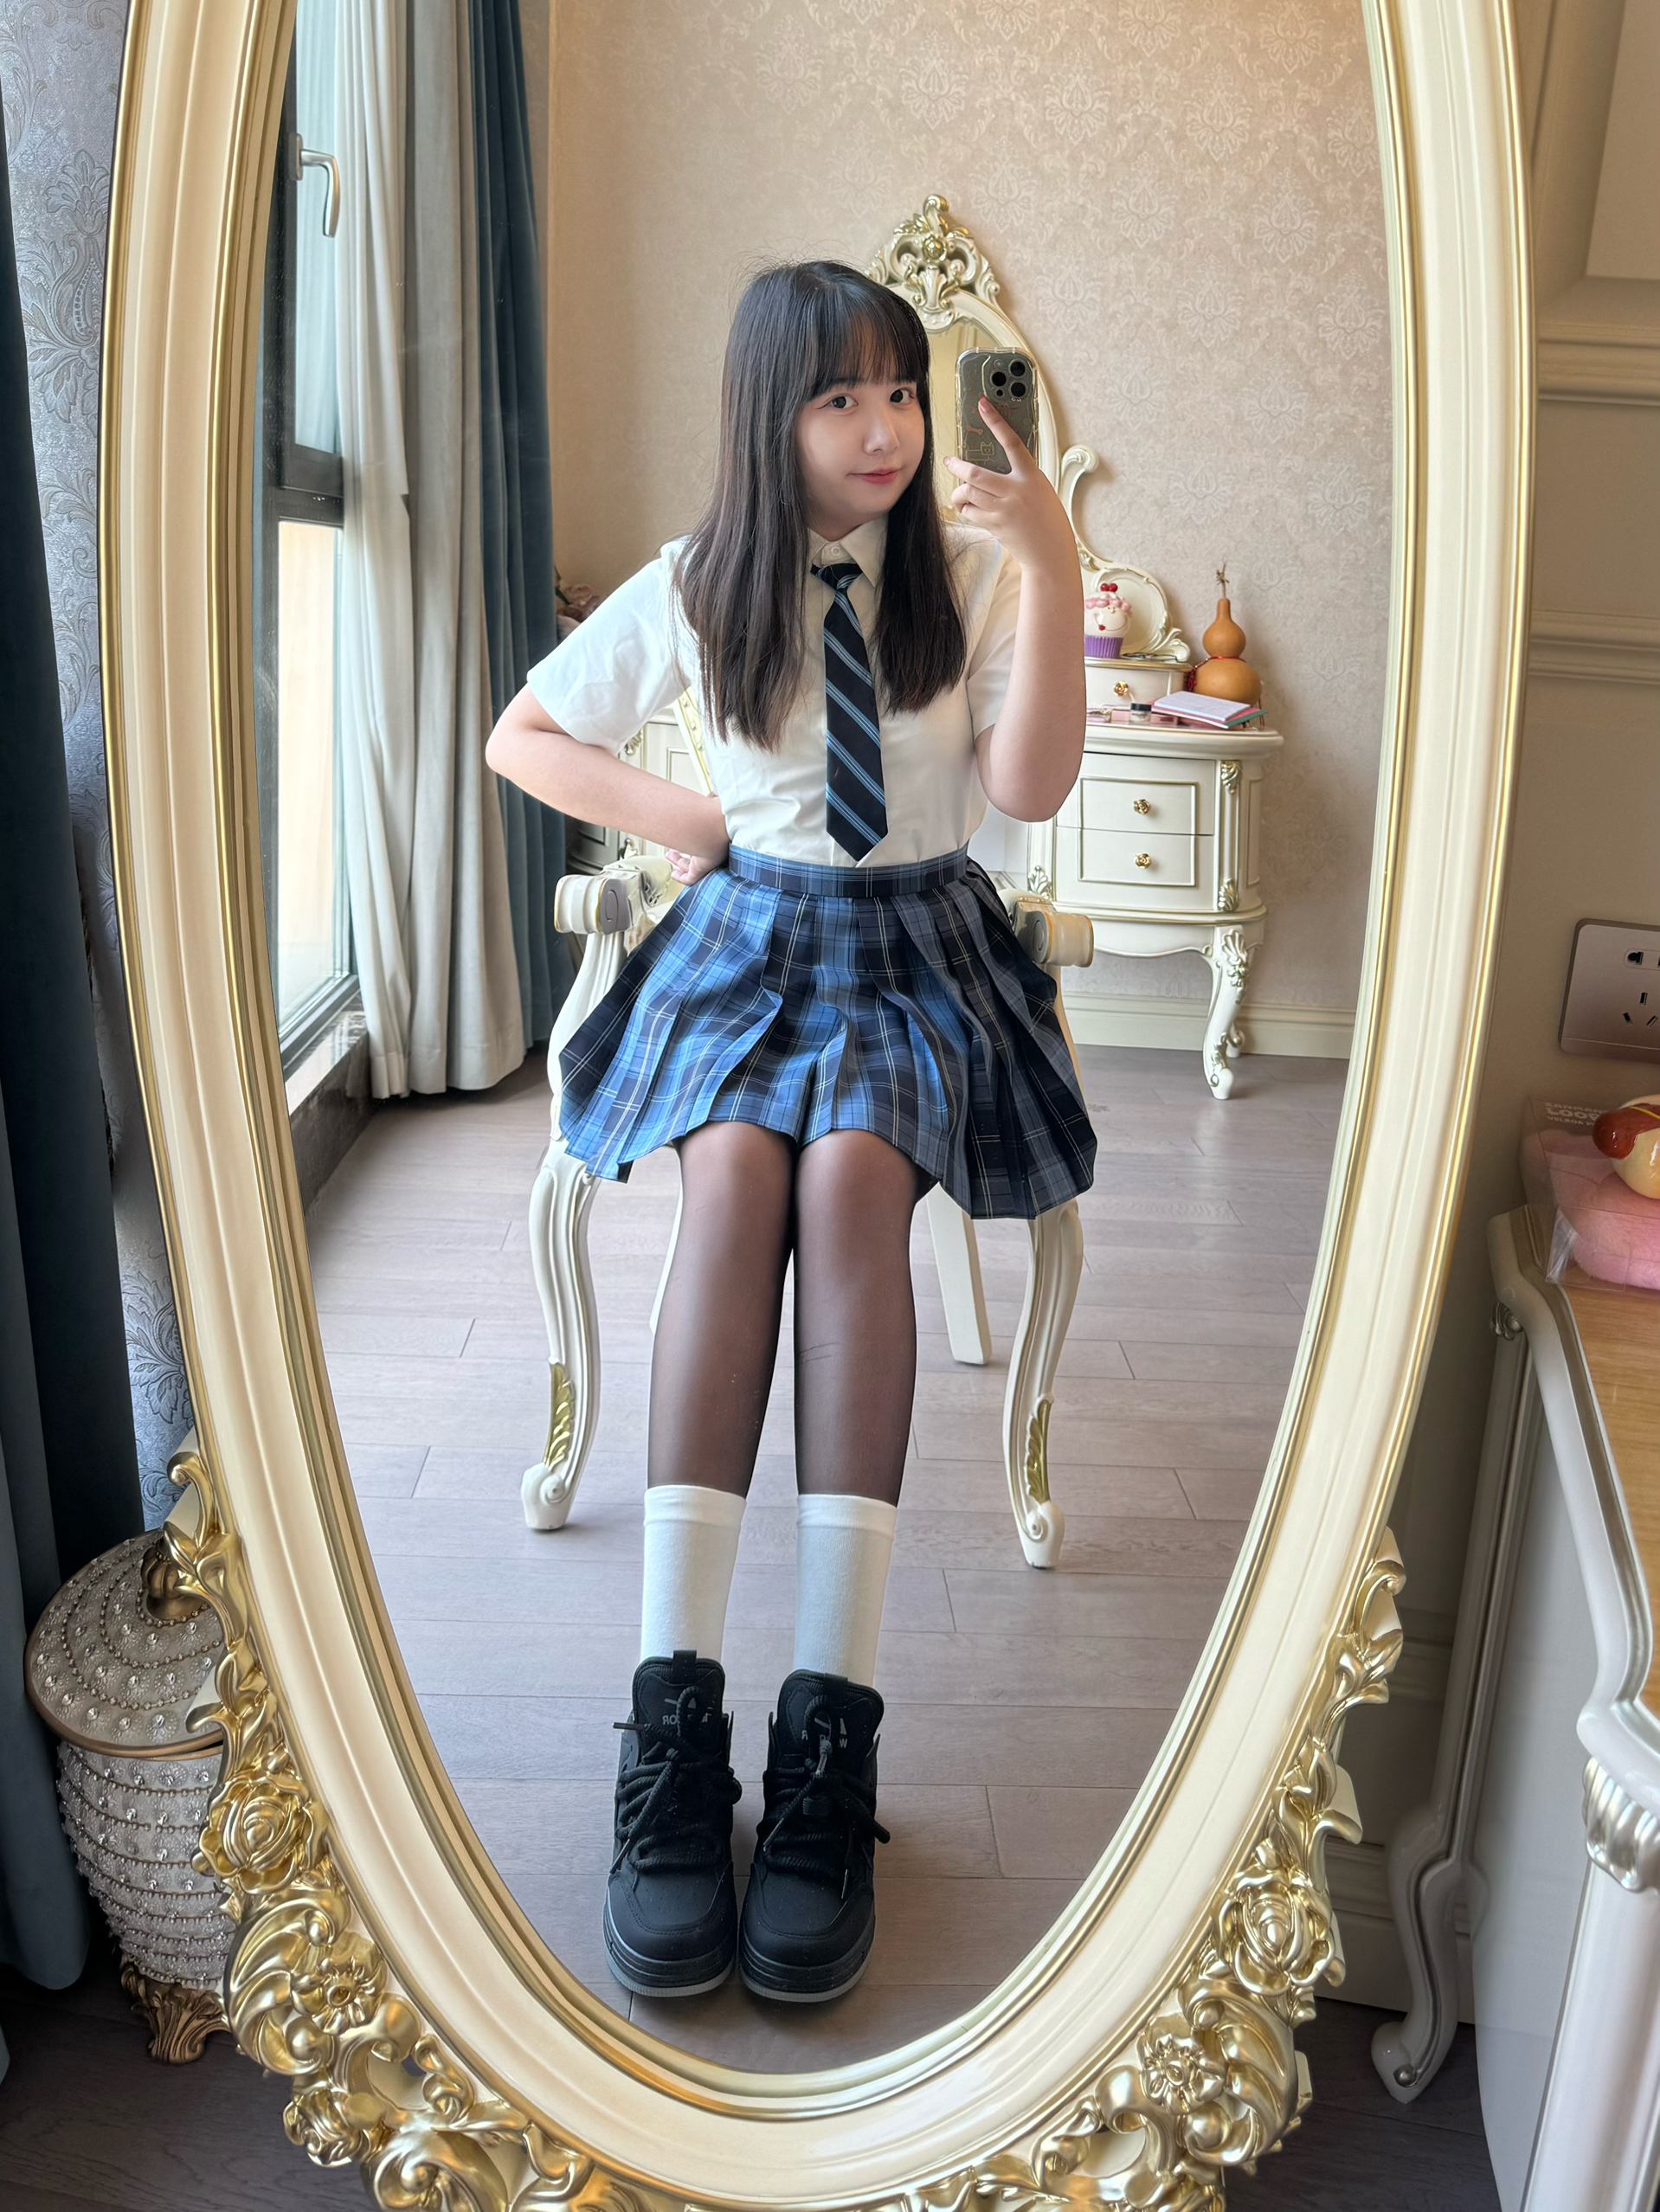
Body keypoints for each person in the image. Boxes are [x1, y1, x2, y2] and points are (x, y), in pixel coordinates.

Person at [486, 260, 1095, 2006]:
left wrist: (1051, 563)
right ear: (773, 415)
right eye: (839, 397)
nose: (882, 428)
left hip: (918, 947)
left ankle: (830, 1731)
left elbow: (1030, 788)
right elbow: (524, 735)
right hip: (751, 941)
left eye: (898, 389)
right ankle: (673, 1722)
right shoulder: (702, 580)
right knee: (737, 1180)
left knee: (847, 1186)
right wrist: (691, 818)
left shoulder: (970, 573)